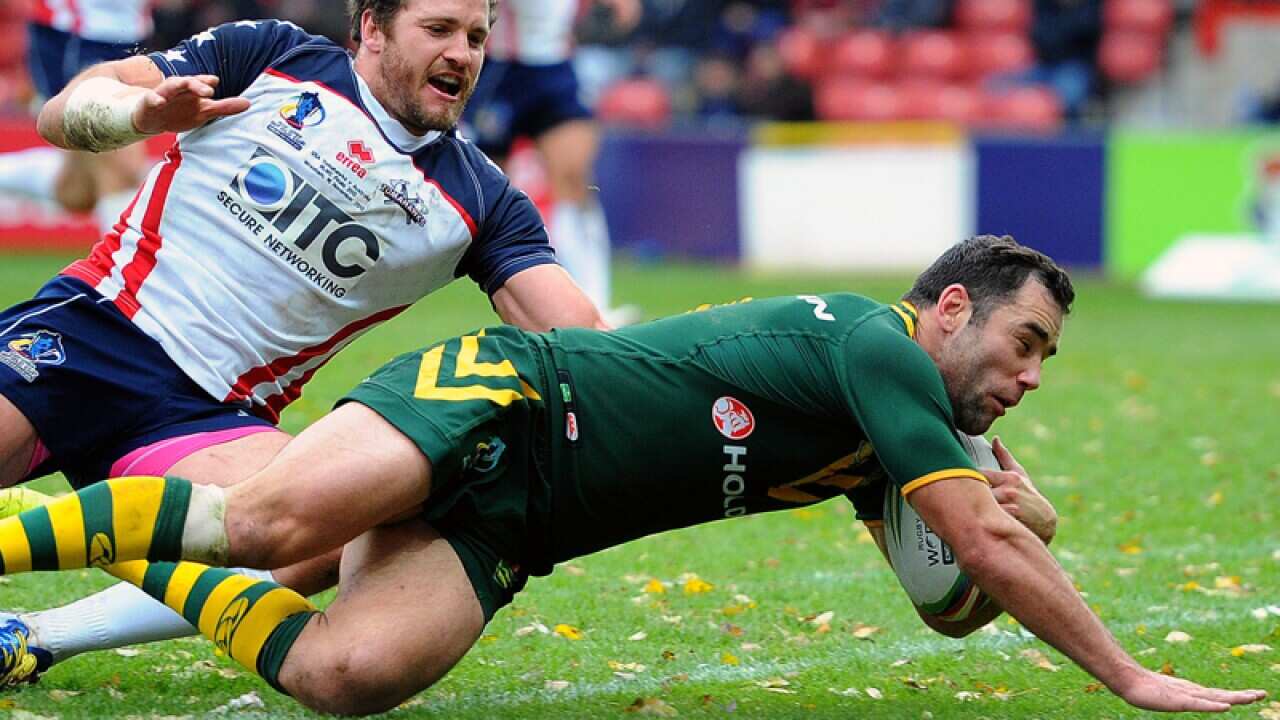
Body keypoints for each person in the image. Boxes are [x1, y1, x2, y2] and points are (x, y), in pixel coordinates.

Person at [0, 236, 1267, 715]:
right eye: (1024, 342)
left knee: (350, 674)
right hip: (500, 394)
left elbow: (946, 595)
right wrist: (1128, 675)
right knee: (272, 518)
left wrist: (1013, 511)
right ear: (945, 311)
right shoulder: (881, 350)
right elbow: (977, 559)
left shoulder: (898, 436)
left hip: (524, 520)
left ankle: (104, 560)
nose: (1031, 374)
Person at [0, 0, 605, 686]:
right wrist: (136, 116)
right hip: (92, 332)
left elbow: (579, 339)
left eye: (476, 37)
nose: (462, 54)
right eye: (438, 30)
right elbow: (63, 110)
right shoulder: (270, 55)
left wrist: (694, 366)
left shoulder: (482, 200)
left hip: (210, 419)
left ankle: (36, 637)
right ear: (372, 27)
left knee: (334, 530)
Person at [463, 0, 641, 326]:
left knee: (575, 181)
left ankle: (594, 303)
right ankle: (520, 296)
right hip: (502, 67)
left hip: (555, 66)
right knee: (482, 185)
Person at [0, 0, 154, 237]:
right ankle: (120, 268)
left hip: (129, 33)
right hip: (77, 35)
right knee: (121, 165)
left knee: (77, 192)